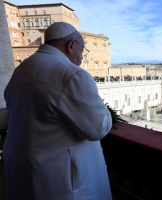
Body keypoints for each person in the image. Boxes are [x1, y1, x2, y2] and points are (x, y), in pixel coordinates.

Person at [3, 22, 113, 200]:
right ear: (71, 45)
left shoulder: (21, 69)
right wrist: (104, 109)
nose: (82, 57)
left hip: (24, 166)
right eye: (83, 51)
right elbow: (97, 128)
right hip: (60, 178)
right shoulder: (73, 74)